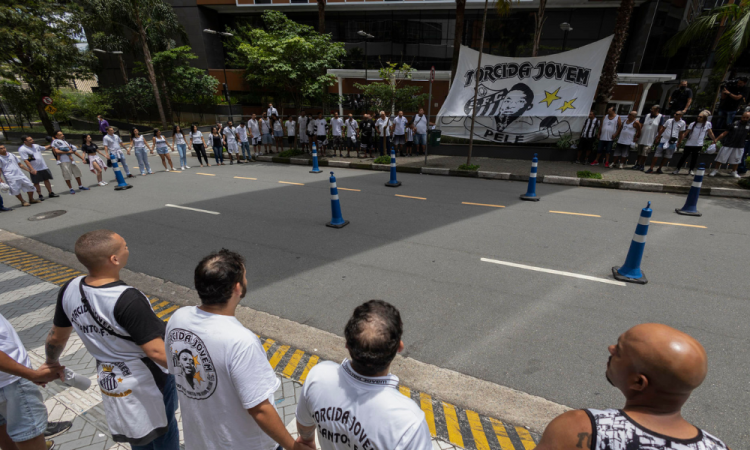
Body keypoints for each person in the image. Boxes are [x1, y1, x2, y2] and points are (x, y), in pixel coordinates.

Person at [165, 249, 314, 450]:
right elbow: (260, 409)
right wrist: (293, 447)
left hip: (199, 442)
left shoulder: (178, 319)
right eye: (244, 276)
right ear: (237, 288)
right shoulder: (241, 341)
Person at [45, 230, 180, 450]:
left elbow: (57, 337)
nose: (128, 248)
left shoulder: (70, 288)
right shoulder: (128, 298)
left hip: (110, 376)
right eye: (124, 246)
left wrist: (51, 363)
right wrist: (194, 376)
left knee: (137, 432)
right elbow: (156, 352)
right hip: (147, 379)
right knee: (163, 428)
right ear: (114, 259)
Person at [533, 323, 730, 450]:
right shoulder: (717, 447)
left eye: (619, 351)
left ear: (638, 382)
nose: (610, 348)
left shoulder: (581, 428)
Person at [295, 300, 433, 450]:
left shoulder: (318, 377)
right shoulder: (408, 421)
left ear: (347, 344)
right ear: (399, 347)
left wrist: (308, 441)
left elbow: (305, 427)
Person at [0, 312, 64, 450]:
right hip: (10, 382)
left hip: (8, 379)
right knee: (28, 435)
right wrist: (32, 375)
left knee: (6, 432)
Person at [708, 110, 750, 178]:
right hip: (728, 144)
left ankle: (734, 172)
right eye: (744, 117)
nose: (745, 119)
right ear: (742, 117)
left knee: (737, 160)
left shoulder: (749, 126)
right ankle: (715, 170)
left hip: (739, 145)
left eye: (747, 118)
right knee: (720, 158)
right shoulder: (734, 123)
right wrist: (716, 139)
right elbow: (724, 133)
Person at [674, 110, 716, 175]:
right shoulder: (692, 124)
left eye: (701, 117)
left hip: (698, 144)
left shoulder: (707, 124)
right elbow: (685, 133)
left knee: (694, 158)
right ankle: (677, 169)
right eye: (698, 116)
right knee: (684, 157)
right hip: (689, 143)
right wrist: (680, 141)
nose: (698, 118)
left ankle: (691, 170)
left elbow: (710, 133)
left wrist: (714, 140)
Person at [634, 105, 664, 171]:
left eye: (653, 109)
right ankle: (637, 164)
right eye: (651, 109)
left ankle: (642, 165)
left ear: (657, 110)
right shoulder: (647, 115)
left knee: (645, 153)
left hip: (650, 139)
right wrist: (637, 134)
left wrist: (658, 137)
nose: (651, 111)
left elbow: (660, 128)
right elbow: (640, 125)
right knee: (639, 152)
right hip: (642, 137)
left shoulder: (660, 117)